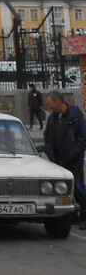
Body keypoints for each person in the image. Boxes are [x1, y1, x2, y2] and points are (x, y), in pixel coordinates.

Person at [43, 90, 86, 228]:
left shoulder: (76, 116)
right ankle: (71, 216)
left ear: (58, 101)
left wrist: (74, 153)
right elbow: (48, 134)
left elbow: (83, 138)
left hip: (74, 161)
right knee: (63, 190)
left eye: (50, 103)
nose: (49, 107)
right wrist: (49, 149)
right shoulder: (53, 117)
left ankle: (84, 217)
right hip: (58, 161)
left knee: (78, 189)